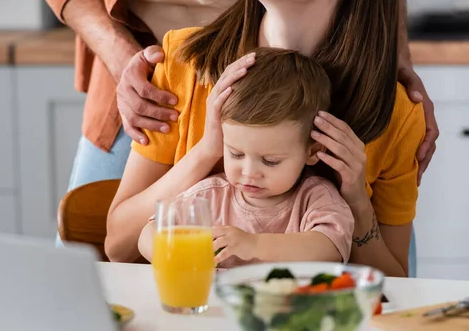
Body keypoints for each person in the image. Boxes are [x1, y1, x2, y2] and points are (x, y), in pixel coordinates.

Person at [104, 0, 426, 278]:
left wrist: (357, 203)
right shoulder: (182, 63)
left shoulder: (396, 114)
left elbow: (395, 284)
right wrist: (205, 153)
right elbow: (118, 246)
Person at [24, 0, 437, 200]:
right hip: (161, 86)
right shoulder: (176, 67)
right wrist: (125, 61)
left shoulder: (389, 112)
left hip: (302, 48)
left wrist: (390, 56)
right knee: (87, 271)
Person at [138, 48, 355, 268]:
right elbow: (148, 233)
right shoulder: (211, 197)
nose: (249, 172)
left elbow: (330, 247)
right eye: (236, 154)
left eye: (270, 161)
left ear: (311, 151)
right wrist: (177, 256)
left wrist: (254, 244)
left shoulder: (315, 198)